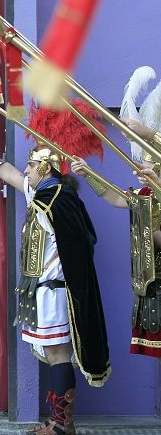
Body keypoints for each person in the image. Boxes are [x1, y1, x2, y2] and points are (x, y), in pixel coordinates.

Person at [0, 134, 110, 435]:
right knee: (53, 355)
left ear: (47, 168)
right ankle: (56, 421)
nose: (26, 171)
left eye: (30, 166)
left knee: (58, 354)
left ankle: (62, 425)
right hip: (40, 292)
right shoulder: (41, 195)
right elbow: (8, 173)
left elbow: (78, 250)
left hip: (55, 291)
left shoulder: (59, 201)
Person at [69, 65, 161, 358]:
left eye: (149, 167)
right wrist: (87, 174)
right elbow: (116, 199)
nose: (141, 171)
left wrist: (150, 135)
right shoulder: (144, 195)